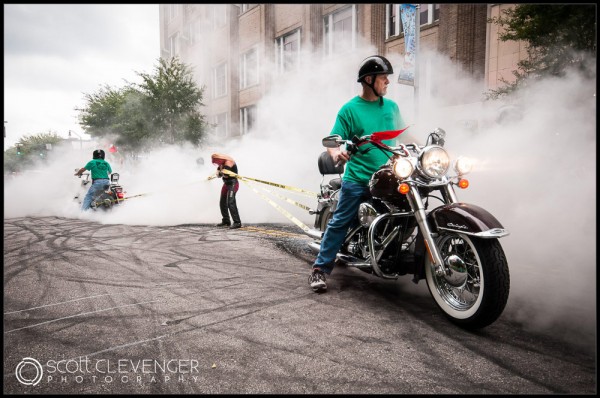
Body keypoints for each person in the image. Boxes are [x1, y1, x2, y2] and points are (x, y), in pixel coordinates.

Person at [309, 55, 406, 292]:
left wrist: (429, 146)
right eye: (384, 78)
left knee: (407, 212)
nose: (388, 82)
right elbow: (332, 142)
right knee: (340, 221)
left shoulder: (391, 107)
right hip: (359, 178)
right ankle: (320, 270)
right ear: (369, 79)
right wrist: (337, 154)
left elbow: (402, 135)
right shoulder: (350, 109)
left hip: (389, 177)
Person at [211, 153, 242, 229]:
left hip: (233, 183)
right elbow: (219, 175)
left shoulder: (229, 161)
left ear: (219, 159)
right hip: (226, 184)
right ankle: (226, 221)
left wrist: (220, 173)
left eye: (216, 161)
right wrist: (219, 173)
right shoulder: (221, 164)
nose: (216, 163)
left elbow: (226, 175)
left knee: (230, 202)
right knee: (222, 202)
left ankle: (237, 222)